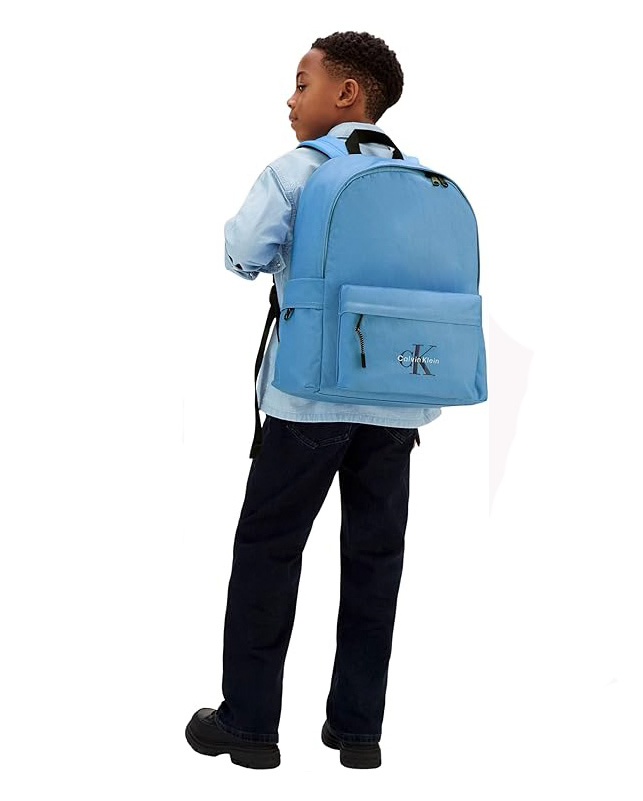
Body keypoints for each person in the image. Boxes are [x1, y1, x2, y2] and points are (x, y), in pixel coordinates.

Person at [185, 31, 441, 770]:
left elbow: (241, 253)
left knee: (269, 551)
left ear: (346, 94)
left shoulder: (297, 170)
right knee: (375, 559)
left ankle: (249, 725)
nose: (291, 100)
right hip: (396, 403)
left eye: (303, 83)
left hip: (308, 402)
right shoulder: (421, 179)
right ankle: (358, 732)